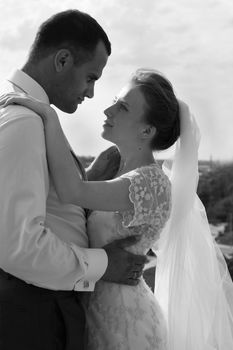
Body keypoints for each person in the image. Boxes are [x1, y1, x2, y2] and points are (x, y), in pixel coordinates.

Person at [3, 68, 233, 350]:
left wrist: (48, 116)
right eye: (115, 100)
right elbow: (71, 204)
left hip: (124, 323)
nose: (108, 109)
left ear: (146, 131)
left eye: (122, 107)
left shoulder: (150, 183)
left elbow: (72, 191)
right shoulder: (114, 166)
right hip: (93, 308)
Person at [0, 10, 147, 350]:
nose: (92, 93)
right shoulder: (24, 121)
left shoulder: (30, 114)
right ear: (63, 60)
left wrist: (89, 182)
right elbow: (17, 246)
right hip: (31, 313)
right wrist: (104, 264)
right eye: (91, 77)